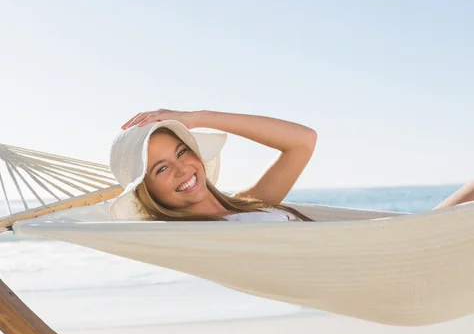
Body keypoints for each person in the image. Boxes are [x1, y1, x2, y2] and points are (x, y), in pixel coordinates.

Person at [109, 109, 474, 223]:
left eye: (181, 151)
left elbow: (303, 140)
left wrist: (197, 116)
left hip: (404, 244)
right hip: (391, 269)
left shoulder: (250, 202)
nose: (182, 168)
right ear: (147, 192)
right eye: (159, 169)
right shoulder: (196, 235)